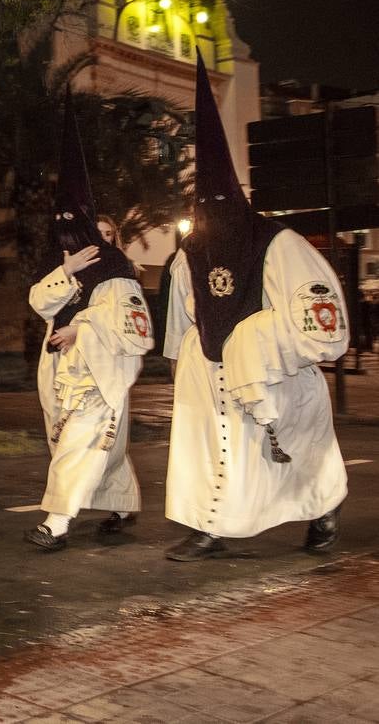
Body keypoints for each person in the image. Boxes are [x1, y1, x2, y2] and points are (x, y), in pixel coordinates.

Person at [162, 55, 348, 562]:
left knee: (293, 450)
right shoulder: (190, 252)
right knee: (211, 454)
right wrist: (183, 361)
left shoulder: (279, 242)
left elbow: (315, 310)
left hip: (274, 367)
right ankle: (209, 528)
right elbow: (183, 309)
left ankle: (321, 508)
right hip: (209, 369)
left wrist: (263, 339)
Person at [25, 98, 153, 551]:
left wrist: (86, 327)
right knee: (96, 444)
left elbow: (137, 330)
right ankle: (120, 503)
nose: (98, 239)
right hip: (60, 370)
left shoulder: (119, 271)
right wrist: (69, 269)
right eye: (91, 231)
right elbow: (40, 302)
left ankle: (55, 524)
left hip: (99, 371)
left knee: (79, 444)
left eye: (106, 233)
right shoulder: (64, 263)